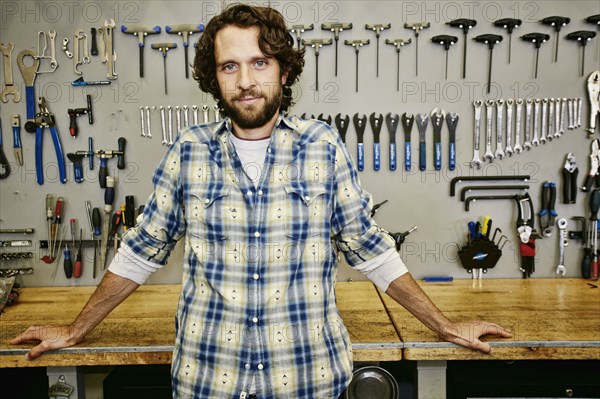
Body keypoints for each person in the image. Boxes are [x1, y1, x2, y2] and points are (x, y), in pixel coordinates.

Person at [12, 4, 512, 398]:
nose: (246, 80)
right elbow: (141, 250)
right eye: (230, 66)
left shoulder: (322, 145)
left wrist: (444, 325)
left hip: (307, 379)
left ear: (284, 71)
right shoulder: (188, 149)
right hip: (209, 379)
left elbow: (371, 249)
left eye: (259, 62)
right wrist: (75, 330)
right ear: (215, 76)